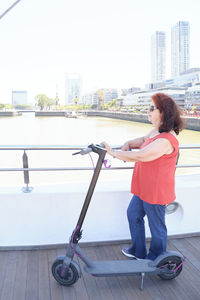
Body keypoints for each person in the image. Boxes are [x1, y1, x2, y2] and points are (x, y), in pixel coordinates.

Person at [102, 93, 184, 260]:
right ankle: (138, 251)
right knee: (133, 214)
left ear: (164, 113)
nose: (149, 110)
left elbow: (143, 155)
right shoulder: (156, 131)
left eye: (152, 108)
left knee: (157, 227)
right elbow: (144, 140)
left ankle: (157, 259)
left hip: (156, 191)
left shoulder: (167, 139)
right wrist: (129, 143)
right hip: (144, 187)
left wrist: (114, 153)